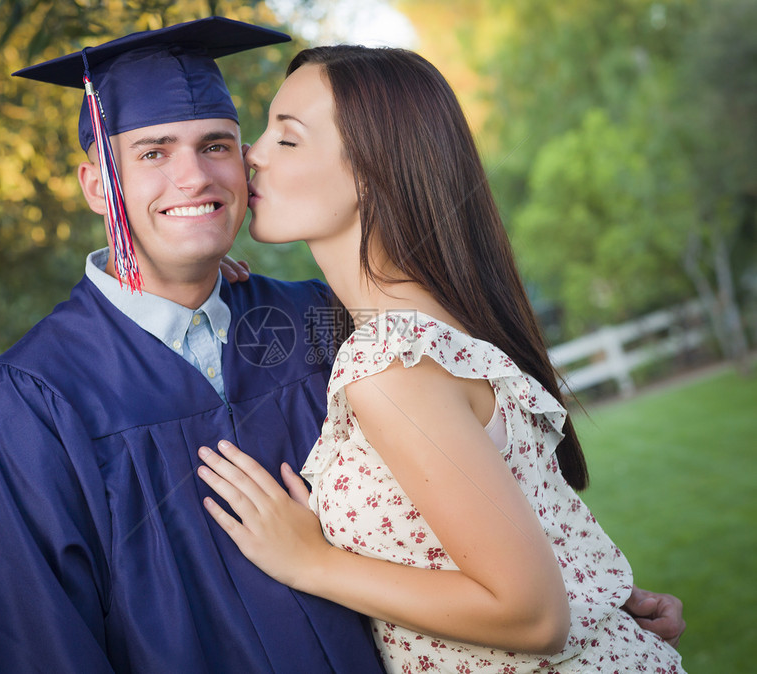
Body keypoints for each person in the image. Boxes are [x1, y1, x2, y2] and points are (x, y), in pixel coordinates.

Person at [196, 46, 687, 673]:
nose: (251, 154)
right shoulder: (436, 326)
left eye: (287, 139)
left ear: (373, 171)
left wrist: (309, 560)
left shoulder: (393, 364)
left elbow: (532, 615)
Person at [0, 18, 385, 673]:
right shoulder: (26, 407)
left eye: (215, 145)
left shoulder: (319, 322)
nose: (194, 178)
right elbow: (30, 647)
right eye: (153, 152)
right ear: (97, 185)